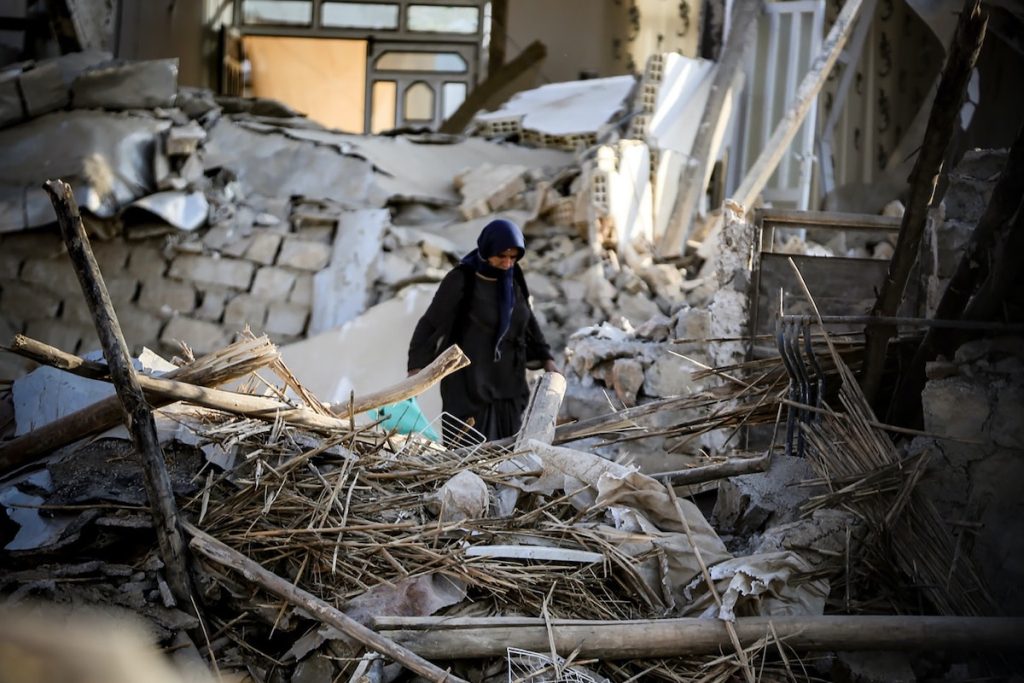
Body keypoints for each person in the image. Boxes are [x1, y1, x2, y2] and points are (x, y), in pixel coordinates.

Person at [407, 218, 560, 442]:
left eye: (513, 257)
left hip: (508, 383)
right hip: (469, 385)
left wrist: (546, 357)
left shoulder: (513, 278)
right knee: (467, 450)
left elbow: (526, 318)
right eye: (502, 256)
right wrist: (416, 367)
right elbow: (431, 322)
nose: (507, 263)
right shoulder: (463, 279)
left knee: (509, 449)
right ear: (488, 250)